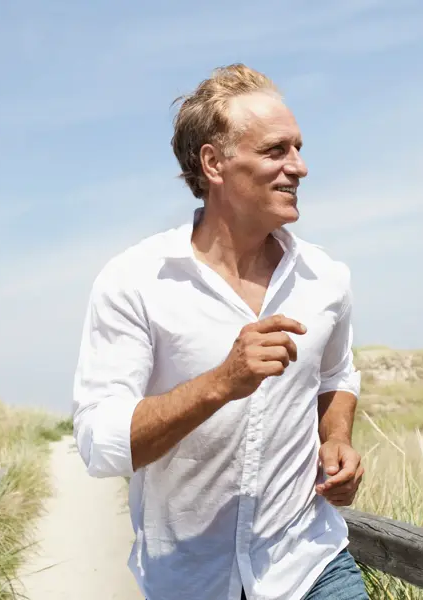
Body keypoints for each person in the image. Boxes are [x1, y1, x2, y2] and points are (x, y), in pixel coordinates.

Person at [72, 63, 367, 600]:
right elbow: (99, 443)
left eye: (298, 148)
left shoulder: (327, 279)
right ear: (214, 163)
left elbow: (338, 374)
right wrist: (220, 383)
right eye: (276, 151)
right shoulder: (136, 280)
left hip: (311, 565)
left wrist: (338, 438)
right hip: (189, 581)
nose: (298, 167)